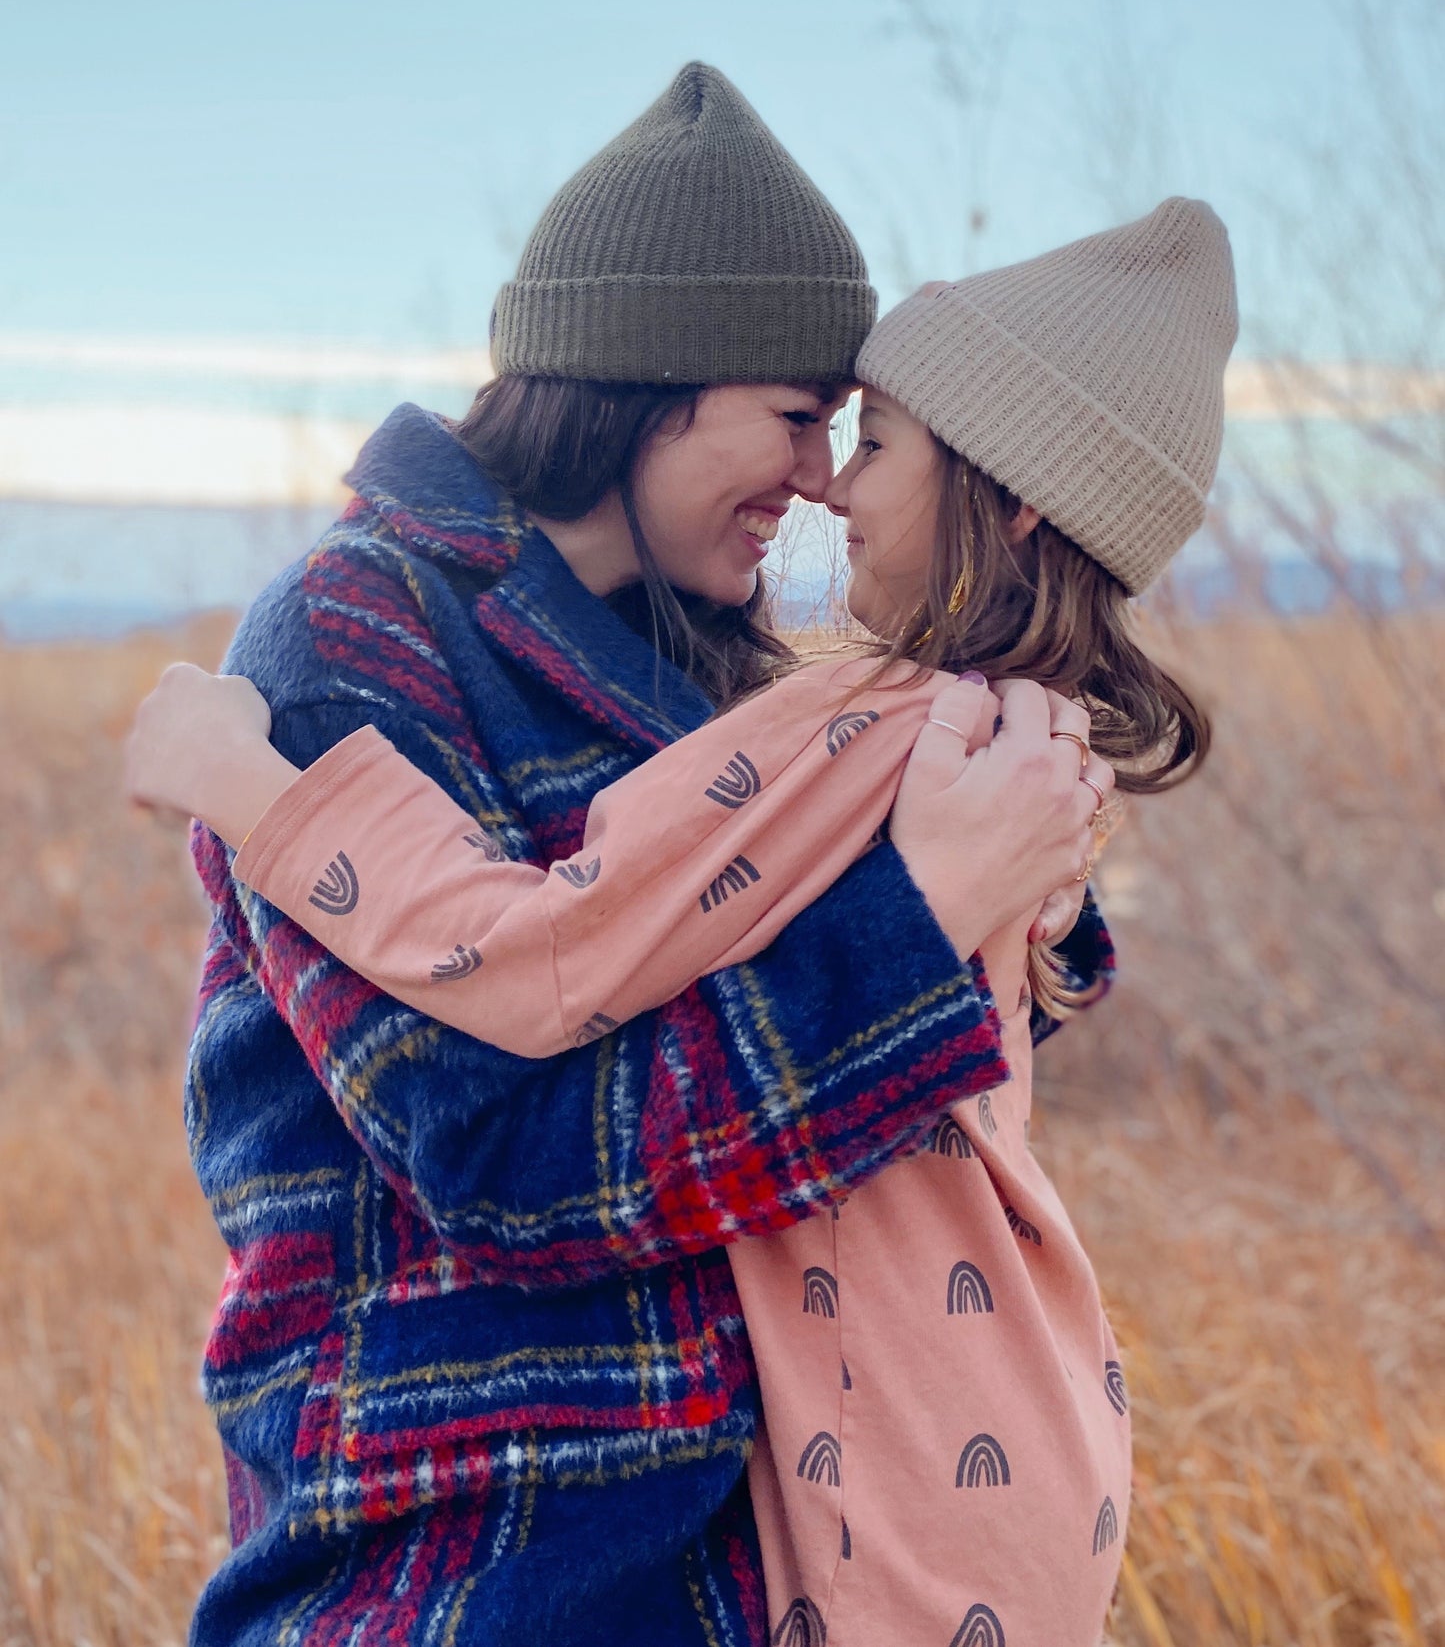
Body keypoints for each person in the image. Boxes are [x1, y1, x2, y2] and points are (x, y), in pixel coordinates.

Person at [131, 195, 1235, 1644]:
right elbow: (508, 1162)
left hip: (797, 1520)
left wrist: (255, 794)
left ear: (1010, 495)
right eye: (797, 415)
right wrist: (926, 919)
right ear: (649, 384)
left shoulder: (809, 690)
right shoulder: (355, 639)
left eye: (861, 434)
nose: (822, 479)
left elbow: (556, 958)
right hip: (482, 1549)